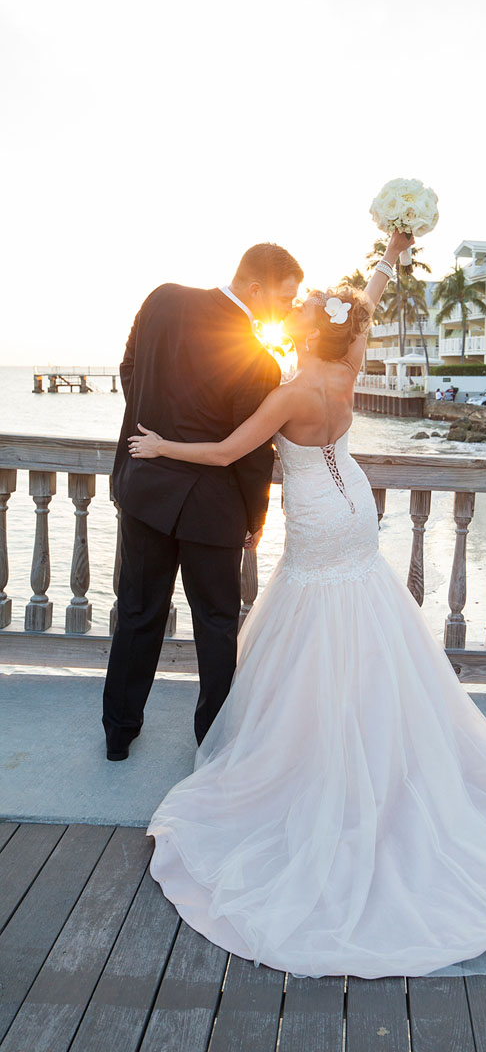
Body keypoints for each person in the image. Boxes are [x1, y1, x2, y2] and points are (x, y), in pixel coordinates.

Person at [127, 228, 486, 980]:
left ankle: (323, 750)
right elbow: (369, 306)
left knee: (314, 625)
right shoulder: (346, 369)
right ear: (345, 334)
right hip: (355, 508)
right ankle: (373, 740)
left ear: (305, 327)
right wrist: (388, 257)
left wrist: (160, 448)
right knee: (366, 624)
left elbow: (224, 454)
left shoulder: (290, 391)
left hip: (319, 515)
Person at [103, 243, 304, 760]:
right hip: (211, 509)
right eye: (284, 299)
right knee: (216, 623)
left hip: (146, 488)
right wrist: (255, 517)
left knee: (137, 613)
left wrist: (158, 427)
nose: (285, 310)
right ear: (256, 288)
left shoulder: (162, 299)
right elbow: (251, 455)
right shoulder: (256, 362)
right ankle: (213, 745)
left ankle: (118, 735)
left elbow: (129, 369)